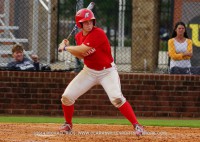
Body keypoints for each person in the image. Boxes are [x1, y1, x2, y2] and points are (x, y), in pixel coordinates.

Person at [58, 8, 144, 136]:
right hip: (88, 71)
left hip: (107, 72)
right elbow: (82, 56)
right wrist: (69, 48)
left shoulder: (98, 33)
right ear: (79, 24)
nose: (89, 24)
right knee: (67, 97)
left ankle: (137, 125)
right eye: (85, 22)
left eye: (90, 21)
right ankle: (68, 124)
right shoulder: (78, 36)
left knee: (117, 98)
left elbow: (82, 49)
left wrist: (65, 47)